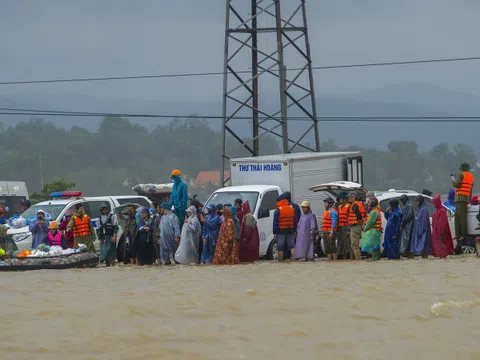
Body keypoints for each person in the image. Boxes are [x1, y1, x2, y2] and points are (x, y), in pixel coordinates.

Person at [452, 162, 474, 242]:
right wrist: (469, 199)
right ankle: (459, 234)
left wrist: (452, 179)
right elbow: (470, 189)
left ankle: (462, 235)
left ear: (461, 168)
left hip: (459, 198)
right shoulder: (471, 176)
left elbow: (457, 185)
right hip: (465, 198)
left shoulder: (461, 175)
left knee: (460, 217)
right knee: (460, 217)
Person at [273, 194, 297, 261]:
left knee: (280, 248)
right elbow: (295, 221)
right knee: (292, 246)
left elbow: (275, 222)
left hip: (281, 232)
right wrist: (294, 230)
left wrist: (275, 232)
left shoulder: (278, 210)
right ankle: (294, 260)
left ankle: (280, 262)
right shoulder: (292, 209)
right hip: (291, 231)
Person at [347, 192, 364, 260]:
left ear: (354, 197)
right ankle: (357, 259)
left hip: (355, 226)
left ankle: (358, 260)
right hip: (356, 226)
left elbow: (359, 216)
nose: (348, 198)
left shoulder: (354, 205)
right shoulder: (357, 204)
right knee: (355, 245)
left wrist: (360, 225)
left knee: (354, 245)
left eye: (350, 197)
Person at [336, 193, 351, 260]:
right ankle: (340, 255)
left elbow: (349, 218)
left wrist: (349, 229)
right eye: (339, 199)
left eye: (341, 199)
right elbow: (338, 218)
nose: (340, 200)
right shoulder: (339, 207)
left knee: (346, 243)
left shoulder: (348, 206)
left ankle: (347, 257)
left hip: (346, 227)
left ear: (345, 199)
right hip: (340, 227)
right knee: (340, 242)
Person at [191, 199, 205, 264]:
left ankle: (198, 260)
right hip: (195, 234)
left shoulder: (200, 214)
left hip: (199, 233)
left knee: (198, 248)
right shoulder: (192, 214)